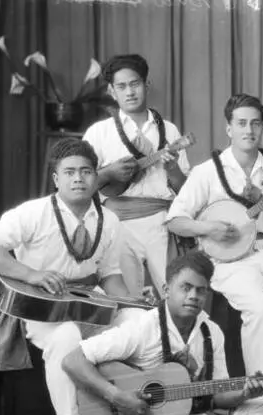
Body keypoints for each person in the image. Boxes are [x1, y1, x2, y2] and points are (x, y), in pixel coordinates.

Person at [0, 138, 143, 415]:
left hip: (89, 305)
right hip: (40, 311)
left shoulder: (109, 220)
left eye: (86, 171)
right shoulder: (32, 213)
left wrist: (131, 303)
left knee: (138, 322)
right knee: (65, 336)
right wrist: (31, 274)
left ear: (96, 177)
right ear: (56, 179)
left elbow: (110, 275)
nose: (78, 178)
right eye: (70, 172)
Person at [62, 251, 263, 415]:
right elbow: (73, 360)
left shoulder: (211, 332)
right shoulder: (142, 328)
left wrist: (244, 394)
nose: (193, 296)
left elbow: (216, 395)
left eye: (201, 290)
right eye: (186, 287)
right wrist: (116, 396)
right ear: (166, 289)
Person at [165, 93, 263, 380]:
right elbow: (175, 220)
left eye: (255, 124)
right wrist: (209, 229)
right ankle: (259, 387)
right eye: (242, 123)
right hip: (226, 261)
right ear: (229, 129)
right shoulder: (207, 172)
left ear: (262, 127)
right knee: (260, 312)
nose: (249, 130)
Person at [83, 54, 191, 298]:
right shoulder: (99, 132)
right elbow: (82, 184)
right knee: (127, 298)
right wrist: (108, 172)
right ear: (112, 90)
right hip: (117, 223)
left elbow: (183, 189)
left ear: (146, 85)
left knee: (174, 294)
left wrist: (172, 168)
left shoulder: (169, 129)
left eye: (135, 84)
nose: (129, 92)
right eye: (121, 86)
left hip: (160, 221)